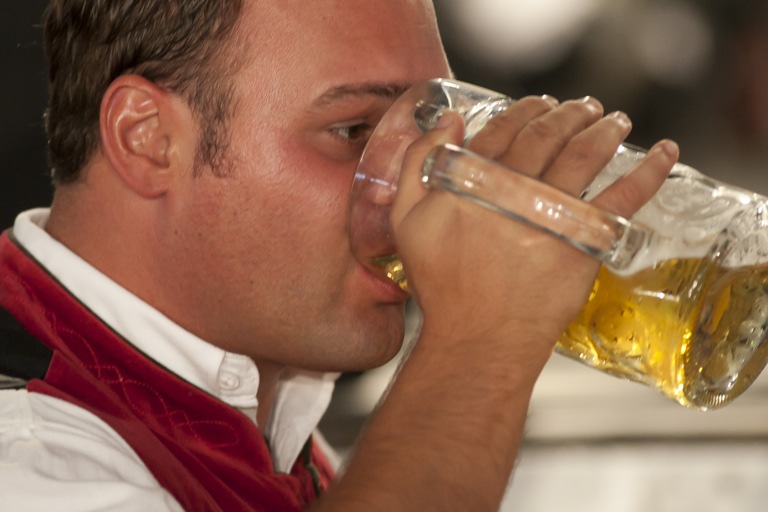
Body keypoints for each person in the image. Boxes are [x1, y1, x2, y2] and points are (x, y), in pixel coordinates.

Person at [0, 0, 679, 510]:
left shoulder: (261, 395)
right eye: (354, 131)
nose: (417, 190)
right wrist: (480, 341)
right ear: (147, 140)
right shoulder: (29, 461)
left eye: (430, 131)